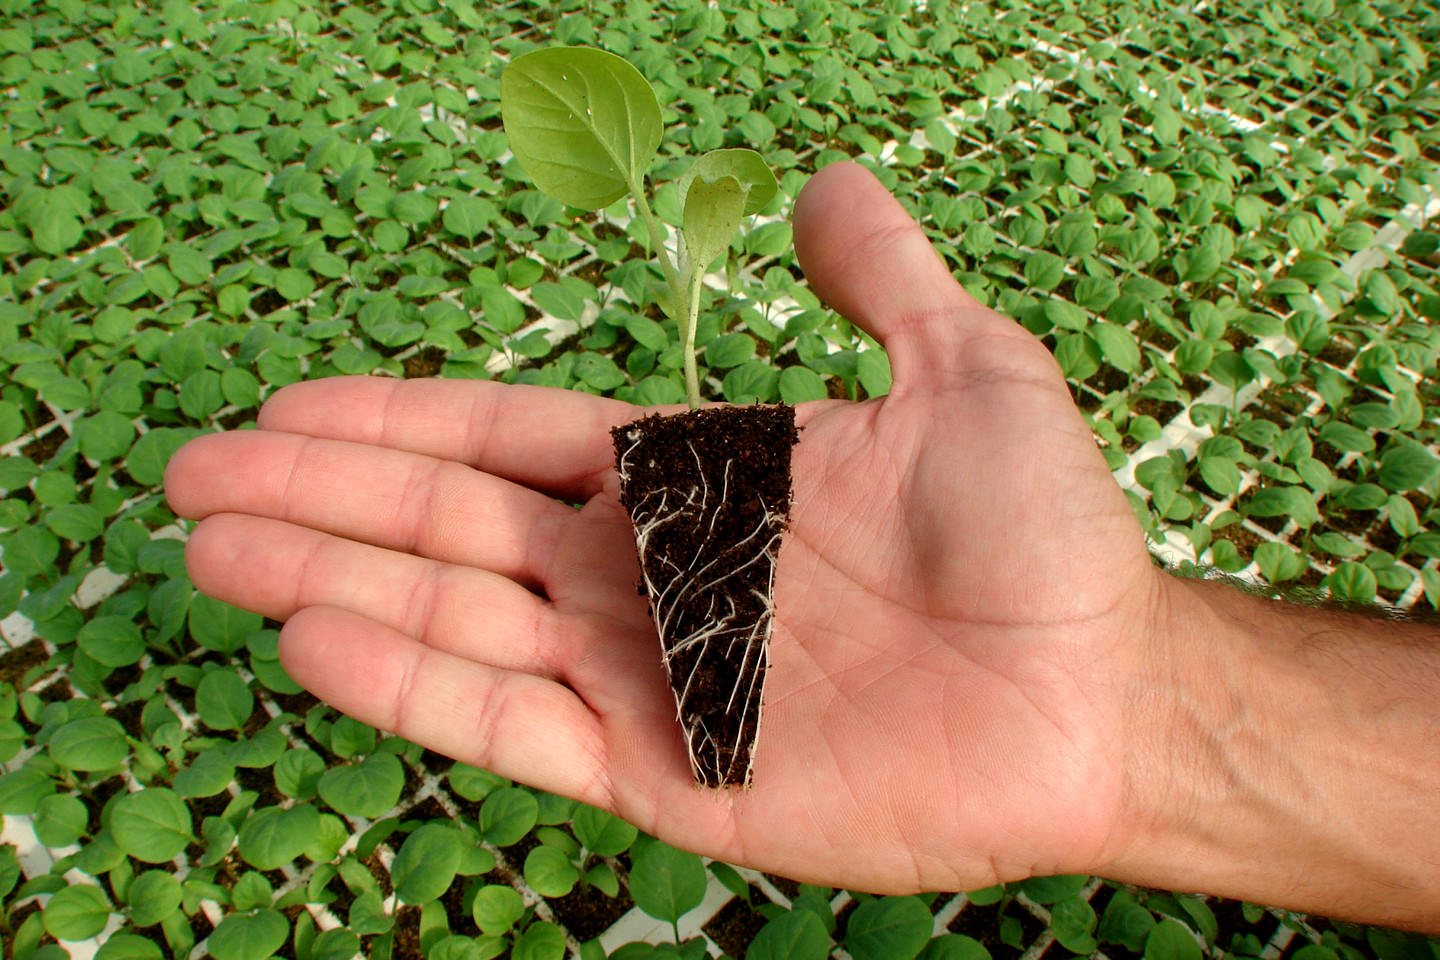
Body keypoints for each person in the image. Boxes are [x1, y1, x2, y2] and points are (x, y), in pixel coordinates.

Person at [164, 162, 1440, 934]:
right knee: (679, 465)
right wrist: (1141, 701)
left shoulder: (714, 478)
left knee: (686, 458)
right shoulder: (695, 476)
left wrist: (1127, 703)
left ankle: (726, 730)